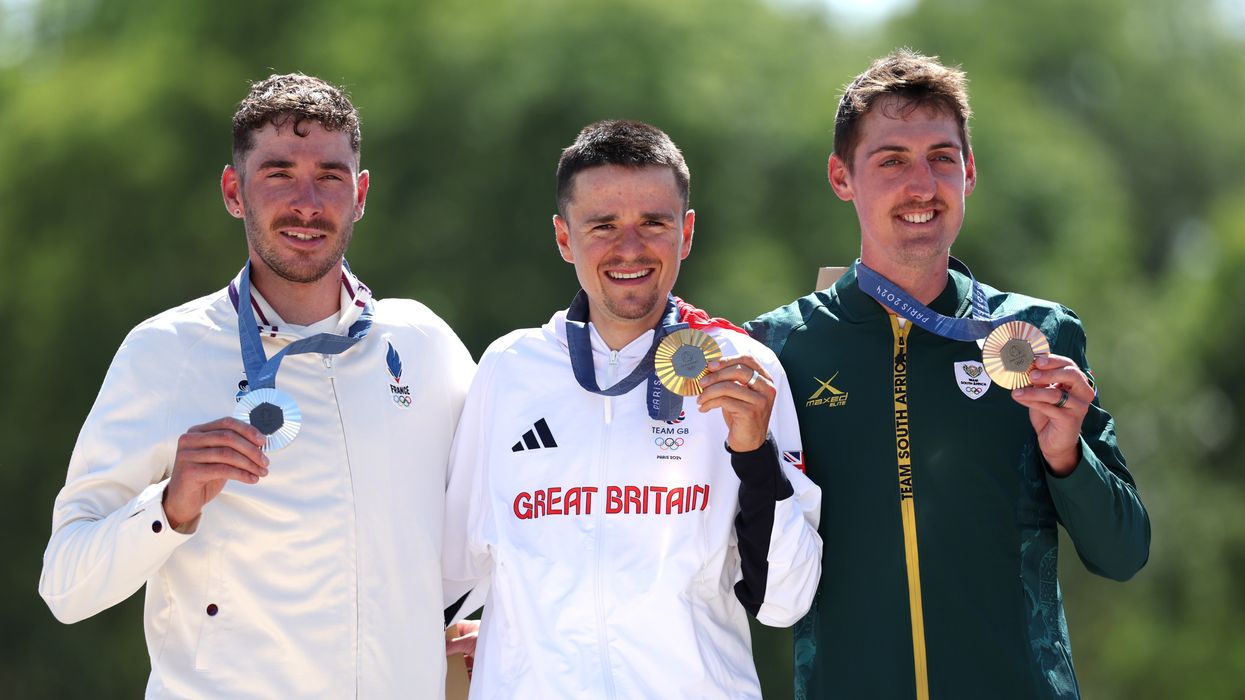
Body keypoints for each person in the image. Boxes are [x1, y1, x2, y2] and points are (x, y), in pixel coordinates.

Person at [38, 73, 476, 698]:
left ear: (361, 193)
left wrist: (489, 628)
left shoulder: (425, 345)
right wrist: (169, 506)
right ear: (233, 191)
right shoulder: (165, 352)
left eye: (330, 175)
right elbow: (66, 587)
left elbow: (497, 519)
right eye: (277, 174)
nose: (307, 202)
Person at [746, 50, 1151, 700]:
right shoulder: (776, 348)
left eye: (941, 158)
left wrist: (1066, 457)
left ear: (968, 173)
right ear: (840, 177)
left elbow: (1123, 554)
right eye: (891, 160)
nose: (921, 185)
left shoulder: (1039, 335)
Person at [441, 120, 822, 698]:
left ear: (686, 232)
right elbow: (452, 575)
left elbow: (785, 600)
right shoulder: (507, 369)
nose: (630, 248)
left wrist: (754, 453)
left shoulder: (744, 370)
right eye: (602, 225)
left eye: (654, 223)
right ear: (564, 237)